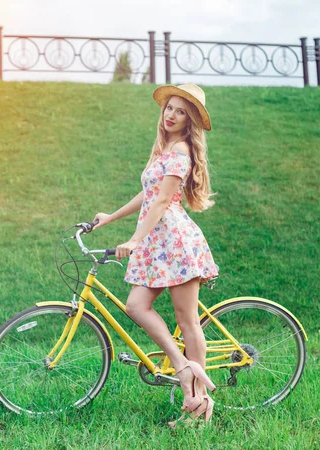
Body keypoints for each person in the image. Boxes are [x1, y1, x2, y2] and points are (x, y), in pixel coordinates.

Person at [93, 82, 220, 426]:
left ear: (189, 119)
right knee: (136, 306)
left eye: (181, 111)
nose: (172, 115)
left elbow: (164, 201)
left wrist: (134, 240)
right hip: (158, 242)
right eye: (169, 108)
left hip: (175, 241)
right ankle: (182, 367)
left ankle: (200, 403)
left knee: (187, 321)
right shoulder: (164, 151)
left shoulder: (180, 152)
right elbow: (148, 195)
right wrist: (111, 217)